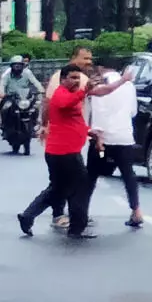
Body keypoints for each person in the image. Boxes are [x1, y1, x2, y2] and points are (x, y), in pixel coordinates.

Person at [19, 67, 96, 238]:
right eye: (73, 78)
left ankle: (28, 216)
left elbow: (72, 120)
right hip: (64, 152)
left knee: (58, 189)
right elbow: (64, 103)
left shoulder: (72, 95)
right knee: (80, 186)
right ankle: (76, 228)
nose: (76, 81)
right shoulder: (61, 94)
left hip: (61, 151)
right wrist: (84, 91)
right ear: (62, 80)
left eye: (79, 78)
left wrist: (89, 131)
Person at [84, 63, 145, 229]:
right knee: (128, 174)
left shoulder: (98, 85)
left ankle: (83, 212)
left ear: (100, 68)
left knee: (91, 174)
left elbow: (96, 111)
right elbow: (133, 112)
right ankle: (136, 210)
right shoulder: (129, 85)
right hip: (123, 138)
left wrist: (96, 134)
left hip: (101, 141)